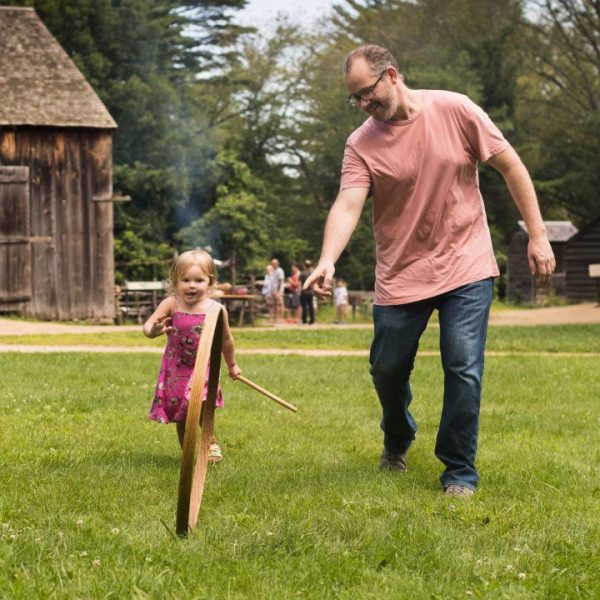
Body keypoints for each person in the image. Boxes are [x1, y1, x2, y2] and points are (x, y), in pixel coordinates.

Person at [304, 44, 556, 497]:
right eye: (354, 99)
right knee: (387, 370)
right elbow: (347, 205)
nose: (363, 105)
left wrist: (538, 235)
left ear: (392, 75)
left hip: (467, 262)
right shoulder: (361, 143)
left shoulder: (455, 109)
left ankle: (459, 471)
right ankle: (398, 435)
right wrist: (327, 260)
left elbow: (511, 165)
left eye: (367, 93)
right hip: (402, 272)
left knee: (462, 365)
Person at [143, 249, 241, 461]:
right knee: (181, 412)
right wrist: (154, 330)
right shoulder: (172, 303)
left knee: (205, 406)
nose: (192, 285)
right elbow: (148, 326)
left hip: (204, 367)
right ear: (175, 281)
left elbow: (226, 340)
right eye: (185, 280)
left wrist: (232, 365)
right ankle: (187, 452)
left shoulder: (216, 309)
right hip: (177, 367)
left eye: (199, 280)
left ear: (210, 282)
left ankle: (209, 442)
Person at [299, 260, 315, 325]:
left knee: (304, 306)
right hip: (311, 292)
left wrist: (300, 291)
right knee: (311, 305)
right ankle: (312, 320)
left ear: (304, 265)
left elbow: (300, 283)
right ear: (310, 265)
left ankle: (304, 320)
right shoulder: (312, 273)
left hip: (304, 291)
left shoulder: (302, 273)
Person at [271, 258, 285, 323]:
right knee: (275, 304)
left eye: (274, 263)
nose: (273, 265)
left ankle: (281, 318)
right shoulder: (274, 270)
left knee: (280, 303)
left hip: (279, 290)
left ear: (277, 264)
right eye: (272, 264)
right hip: (275, 290)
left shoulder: (280, 270)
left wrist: (278, 291)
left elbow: (280, 281)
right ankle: (276, 318)